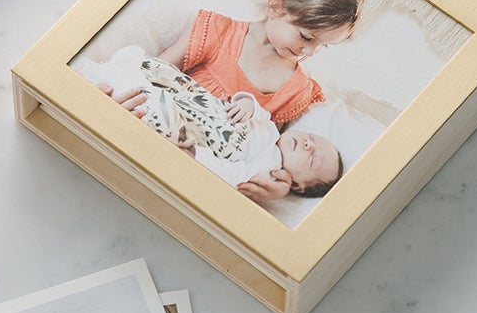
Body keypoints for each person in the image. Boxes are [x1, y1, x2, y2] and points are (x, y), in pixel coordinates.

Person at [104, 0, 365, 202]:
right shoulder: (216, 31)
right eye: (307, 37)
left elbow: (261, 146)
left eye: (323, 46)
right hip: (157, 122)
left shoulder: (297, 91)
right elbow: (155, 72)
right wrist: (126, 99)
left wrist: (275, 187)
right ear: (275, 7)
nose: (309, 52)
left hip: (194, 161)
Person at [88, 48, 343, 204]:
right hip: (205, 107)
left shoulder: (269, 170)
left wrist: (197, 158)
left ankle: (122, 75)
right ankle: (136, 68)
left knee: (163, 114)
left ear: (297, 185)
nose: (309, 144)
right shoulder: (271, 129)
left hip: (200, 138)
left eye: (312, 159)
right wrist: (246, 103)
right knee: (177, 82)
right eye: (312, 138)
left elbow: (231, 175)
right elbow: (257, 111)